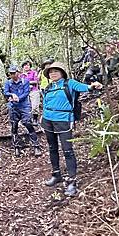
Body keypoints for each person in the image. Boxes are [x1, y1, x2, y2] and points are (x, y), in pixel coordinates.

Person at [41, 62, 102, 196]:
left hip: (63, 119)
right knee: (52, 147)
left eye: (56, 71)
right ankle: (56, 174)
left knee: (67, 150)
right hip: (47, 120)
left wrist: (93, 86)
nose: (53, 73)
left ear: (62, 72)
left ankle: (72, 181)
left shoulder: (70, 83)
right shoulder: (49, 86)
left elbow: (85, 87)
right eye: (51, 72)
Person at [2, 65, 41, 157]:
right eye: (11, 73)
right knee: (14, 126)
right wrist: (11, 95)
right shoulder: (8, 83)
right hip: (13, 107)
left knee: (28, 123)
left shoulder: (25, 81)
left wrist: (18, 98)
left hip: (24, 106)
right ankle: (16, 147)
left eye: (14, 73)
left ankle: (36, 146)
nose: (13, 75)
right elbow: (5, 92)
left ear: (18, 73)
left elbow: (26, 92)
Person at [21, 60, 40, 125]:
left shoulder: (34, 73)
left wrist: (26, 82)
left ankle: (35, 119)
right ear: (23, 67)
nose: (26, 66)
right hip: (25, 92)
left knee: (35, 106)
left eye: (28, 65)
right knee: (27, 106)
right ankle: (28, 119)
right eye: (25, 65)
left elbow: (36, 81)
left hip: (34, 90)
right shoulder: (21, 75)